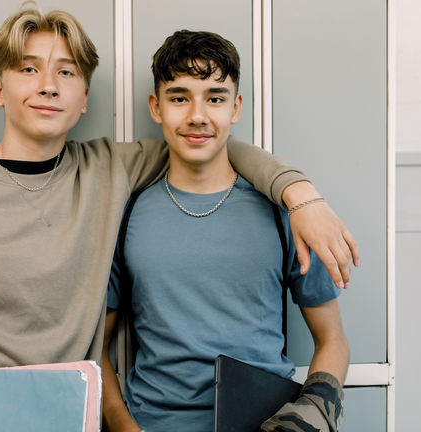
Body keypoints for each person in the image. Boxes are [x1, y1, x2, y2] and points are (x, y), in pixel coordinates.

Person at [0, 4, 355, 431]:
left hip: (69, 420)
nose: (48, 85)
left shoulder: (110, 171)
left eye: (66, 71)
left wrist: (299, 195)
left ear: (84, 97)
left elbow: (214, 145)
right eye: (27, 68)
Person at [101, 30, 350, 432]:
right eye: (179, 97)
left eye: (215, 98)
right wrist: (123, 426)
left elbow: (333, 339)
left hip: (265, 422)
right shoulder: (127, 214)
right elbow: (99, 348)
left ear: (235, 108)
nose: (197, 115)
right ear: (156, 106)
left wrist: (315, 409)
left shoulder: (286, 213)